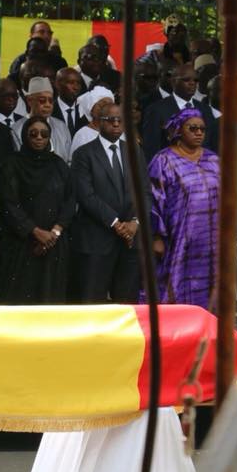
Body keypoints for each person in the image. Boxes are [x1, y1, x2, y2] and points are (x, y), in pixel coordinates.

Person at [0, 116, 74, 304]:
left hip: (54, 245)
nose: (39, 138)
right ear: (25, 136)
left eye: (44, 134)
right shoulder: (12, 164)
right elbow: (8, 203)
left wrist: (54, 233)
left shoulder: (58, 165)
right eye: (33, 134)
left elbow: (70, 200)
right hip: (22, 245)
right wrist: (35, 232)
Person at [70, 102, 149, 303]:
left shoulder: (134, 151)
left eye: (120, 120)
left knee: (126, 303)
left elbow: (145, 191)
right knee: (93, 301)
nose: (116, 124)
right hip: (97, 239)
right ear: (98, 122)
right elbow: (86, 196)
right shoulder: (84, 154)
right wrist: (116, 223)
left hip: (130, 240)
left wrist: (135, 222)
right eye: (110, 120)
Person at [147, 108, 220, 309]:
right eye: (193, 128)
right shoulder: (164, 160)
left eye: (202, 129)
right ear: (179, 130)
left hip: (210, 242)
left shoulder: (214, 160)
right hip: (177, 238)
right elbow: (152, 200)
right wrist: (156, 237)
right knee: (175, 287)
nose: (199, 133)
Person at [141, 62, 218, 161]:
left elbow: (212, 144)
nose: (192, 83)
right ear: (173, 82)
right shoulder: (156, 110)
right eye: (186, 80)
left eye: (195, 80)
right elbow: (151, 150)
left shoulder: (205, 109)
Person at [14, 77, 71, 162]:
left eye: (51, 101)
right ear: (30, 101)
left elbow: (68, 159)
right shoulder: (16, 129)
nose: (47, 105)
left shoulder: (61, 126)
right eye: (42, 101)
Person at [68, 86, 115, 160]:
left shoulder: (119, 131)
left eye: (110, 105)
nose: (107, 109)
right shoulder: (82, 135)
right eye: (102, 105)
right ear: (91, 110)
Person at [53, 68, 87, 136]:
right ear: (57, 84)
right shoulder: (50, 110)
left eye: (78, 83)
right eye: (71, 83)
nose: (76, 87)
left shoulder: (85, 112)